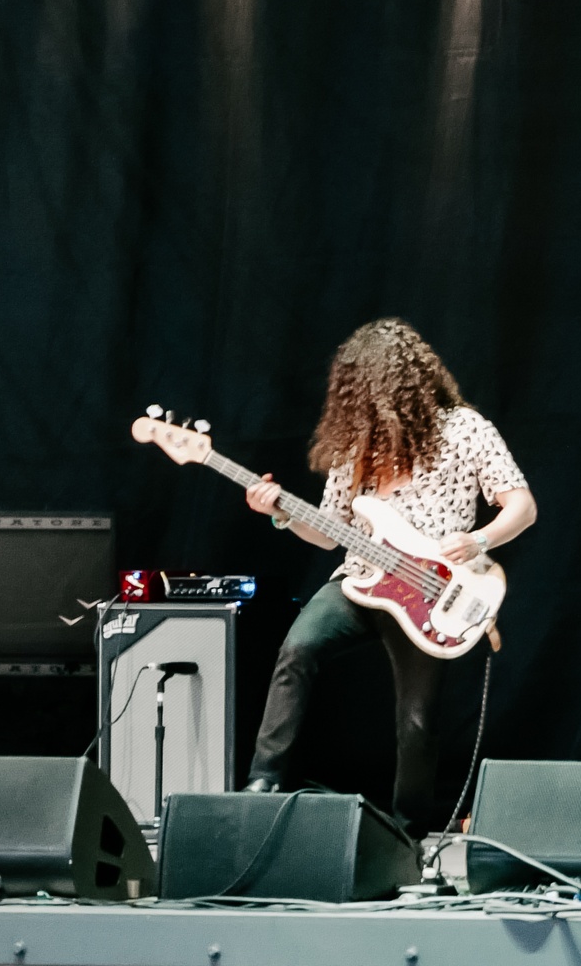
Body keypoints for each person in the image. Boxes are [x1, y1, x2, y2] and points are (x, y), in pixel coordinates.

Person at [241, 319, 535, 829]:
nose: (362, 406)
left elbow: (522, 505)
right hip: (361, 580)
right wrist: (281, 512)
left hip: (432, 591)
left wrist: (480, 539)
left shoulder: (465, 429)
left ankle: (408, 833)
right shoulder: (357, 445)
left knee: (417, 722)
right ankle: (263, 782)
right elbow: (330, 532)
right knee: (297, 650)